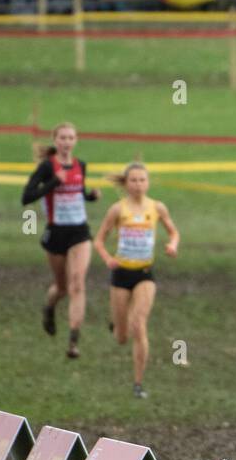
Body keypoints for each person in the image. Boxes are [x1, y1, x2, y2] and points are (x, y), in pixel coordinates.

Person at [93, 162, 180, 399]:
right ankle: (116, 324)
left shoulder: (157, 208)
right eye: (134, 180)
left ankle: (138, 384)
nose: (138, 184)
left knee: (138, 325)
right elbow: (99, 240)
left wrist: (172, 245)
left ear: (148, 183)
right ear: (126, 183)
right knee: (122, 337)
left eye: (142, 180)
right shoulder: (117, 210)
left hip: (145, 274)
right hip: (121, 274)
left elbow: (174, 232)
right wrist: (108, 259)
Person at [21, 122, 100, 359]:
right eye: (62, 138)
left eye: (71, 138)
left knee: (78, 284)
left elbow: (78, 192)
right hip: (56, 233)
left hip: (79, 232)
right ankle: (49, 307)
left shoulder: (80, 165)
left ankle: (73, 342)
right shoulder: (47, 167)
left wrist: (91, 196)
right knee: (63, 287)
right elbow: (26, 198)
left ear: (76, 141)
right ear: (55, 141)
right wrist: (54, 181)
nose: (67, 142)